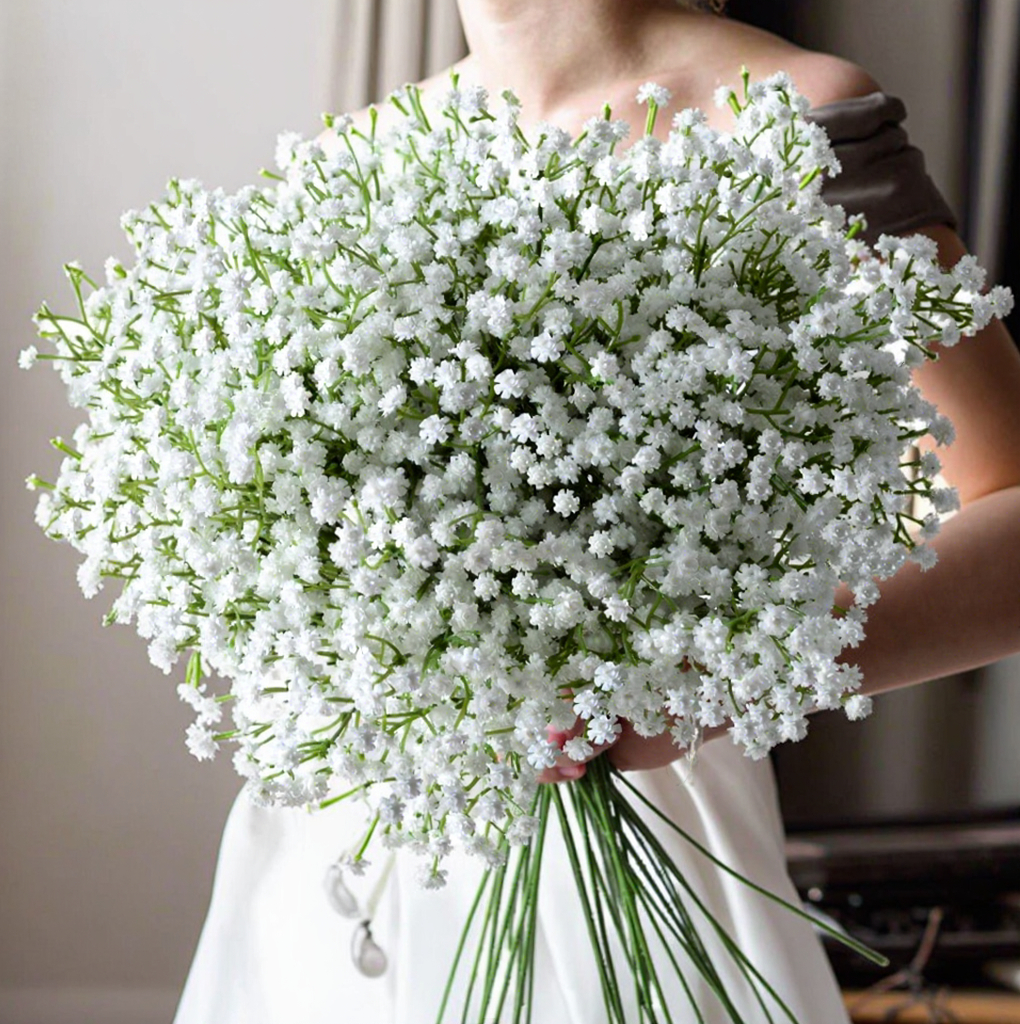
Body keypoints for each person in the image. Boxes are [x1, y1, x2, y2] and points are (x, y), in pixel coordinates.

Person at [173, 1, 1020, 1021]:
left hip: (632, 857)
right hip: (344, 862)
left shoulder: (794, 121)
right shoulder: (349, 159)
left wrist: (699, 685)